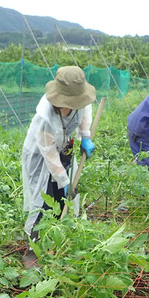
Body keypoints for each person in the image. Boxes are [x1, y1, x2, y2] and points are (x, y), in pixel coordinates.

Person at [21, 66, 96, 265]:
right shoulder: (45, 116)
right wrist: (63, 180)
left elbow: (85, 112)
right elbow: (48, 153)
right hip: (40, 154)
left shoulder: (80, 102)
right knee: (44, 198)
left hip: (63, 148)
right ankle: (34, 248)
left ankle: (58, 237)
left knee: (63, 199)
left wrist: (85, 136)